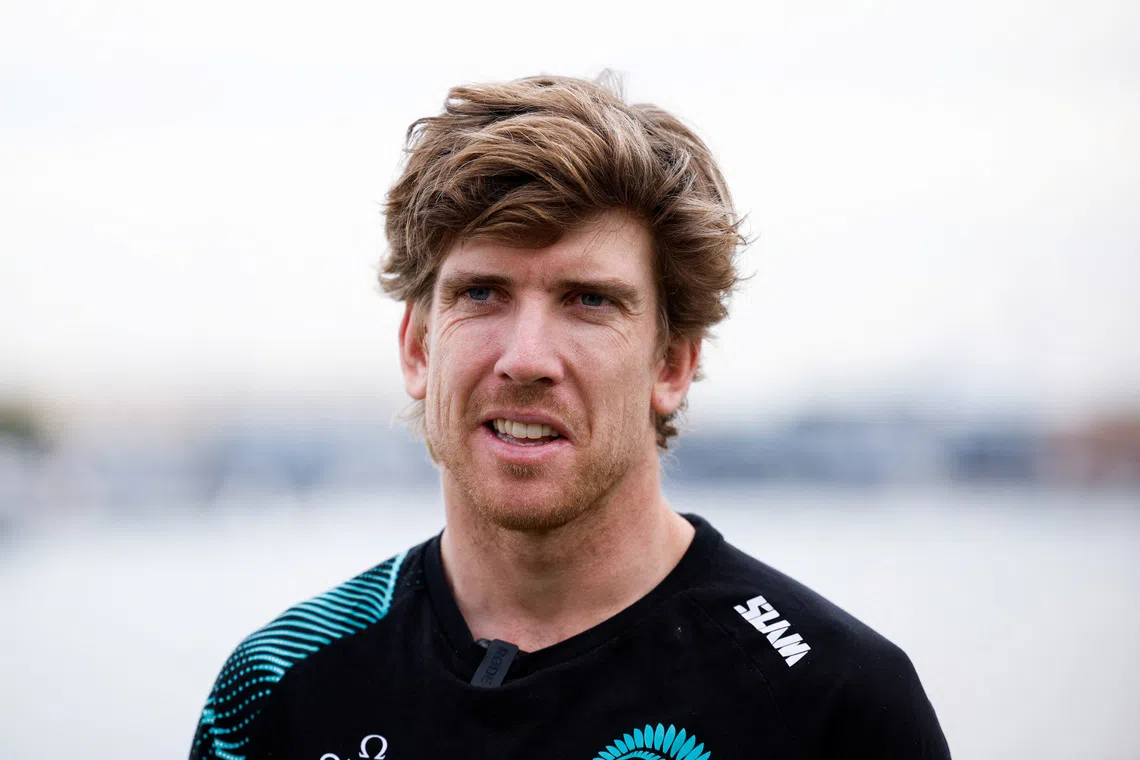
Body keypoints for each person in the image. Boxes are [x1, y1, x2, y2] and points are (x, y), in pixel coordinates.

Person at [189, 74, 950, 760]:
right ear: (420, 347)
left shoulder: (836, 706)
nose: (526, 358)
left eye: (589, 300)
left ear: (671, 365)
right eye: (482, 293)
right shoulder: (276, 693)